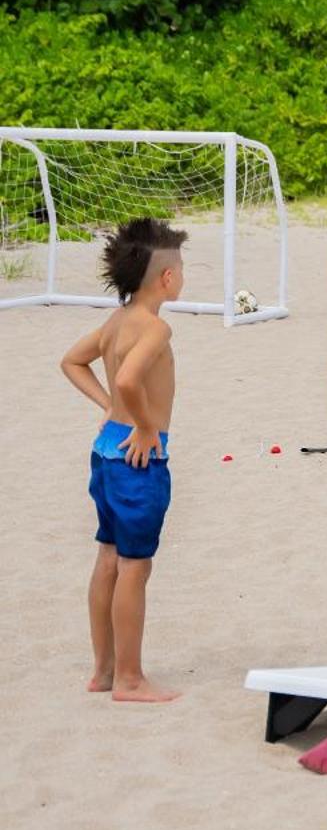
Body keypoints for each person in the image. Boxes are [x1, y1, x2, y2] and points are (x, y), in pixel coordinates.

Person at [60, 217, 187, 702]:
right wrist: (145, 424)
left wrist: (109, 408)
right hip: (138, 460)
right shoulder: (155, 328)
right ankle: (130, 680)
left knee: (109, 557)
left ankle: (104, 671)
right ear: (167, 278)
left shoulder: (115, 321)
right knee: (135, 567)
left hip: (105, 453)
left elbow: (71, 360)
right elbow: (131, 380)